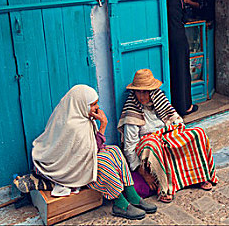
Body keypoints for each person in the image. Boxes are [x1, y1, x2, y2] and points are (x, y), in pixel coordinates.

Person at [30, 85, 157, 220]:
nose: (97, 107)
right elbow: (90, 151)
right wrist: (103, 126)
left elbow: (93, 148)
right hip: (67, 167)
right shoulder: (73, 125)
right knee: (103, 163)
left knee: (115, 151)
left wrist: (100, 128)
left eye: (96, 103)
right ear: (80, 104)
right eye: (93, 104)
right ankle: (119, 203)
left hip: (80, 160)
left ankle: (132, 195)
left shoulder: (83, 119)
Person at [118, 69, 218, 203]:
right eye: (138, 91)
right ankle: (164, 187)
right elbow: (130, 147)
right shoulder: (132, 111)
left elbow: (177, 121)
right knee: (152, 144)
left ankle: (200, 176)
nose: (142, 96)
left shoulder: (160, 100)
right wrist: (142, 172)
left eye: (145, 92)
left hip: (166, 137)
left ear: (152, 92)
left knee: (197, 134)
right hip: (150, 147)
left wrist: (171, 131)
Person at [166, 0, 198, 116]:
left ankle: (172, 106)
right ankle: (185, 106)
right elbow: (184, 18)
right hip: (179, 38)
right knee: (183, 72)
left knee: (172, 71)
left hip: (166, 39)